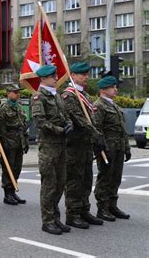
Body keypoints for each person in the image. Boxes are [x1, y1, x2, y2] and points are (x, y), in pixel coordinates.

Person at [31, 65, 73, 235]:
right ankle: (47, 221)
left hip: (61, 145)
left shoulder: (56, 96)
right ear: (43, 79)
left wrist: (68, 123)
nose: (56, 78)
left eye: (55, 76)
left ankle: (56, 218)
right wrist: (59, 130)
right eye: (52, 76)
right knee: (49, 185)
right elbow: (40, 122)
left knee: (60, 184)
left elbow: (64, 114)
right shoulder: (38, 97)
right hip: (48, 146)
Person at [61, 62, 104, 228]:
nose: (86, 77)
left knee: (86, 179)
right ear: (73, 75)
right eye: (82, 74)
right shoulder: (68, 96)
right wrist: (96, 134)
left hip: (85, 145)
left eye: (87, 74)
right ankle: (72, 213)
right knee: (74, 180)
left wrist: (96, 138)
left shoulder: (84, 95)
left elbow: (91, 119)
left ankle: (84, 210)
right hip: (74, 145)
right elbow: (79, 119)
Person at [94, 76, 131, 221]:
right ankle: (102, 208)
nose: (115, 89)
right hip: (107, 149)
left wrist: (127, 147)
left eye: (115, 87)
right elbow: (97, 128)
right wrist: (101, 147)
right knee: (105, 178)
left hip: (119, 147)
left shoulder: (114, 106)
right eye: (112, 87)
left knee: (116, 178)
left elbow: (122, 129)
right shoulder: (99, 105)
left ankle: (112, 205)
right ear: (103, 90)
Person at [0, 84, 29, 205]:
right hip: (9, 141)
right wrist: (3, 143)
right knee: (8, 168)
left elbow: (23, 125)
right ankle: (7, 194)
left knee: (17, 168)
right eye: (15, 92)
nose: (17, 94)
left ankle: (13, 190)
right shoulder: (4, 107)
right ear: (8, 93)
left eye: (18, 92)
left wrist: (25, 141)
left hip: (19, 141)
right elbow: (1, 127)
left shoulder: (19, 107)